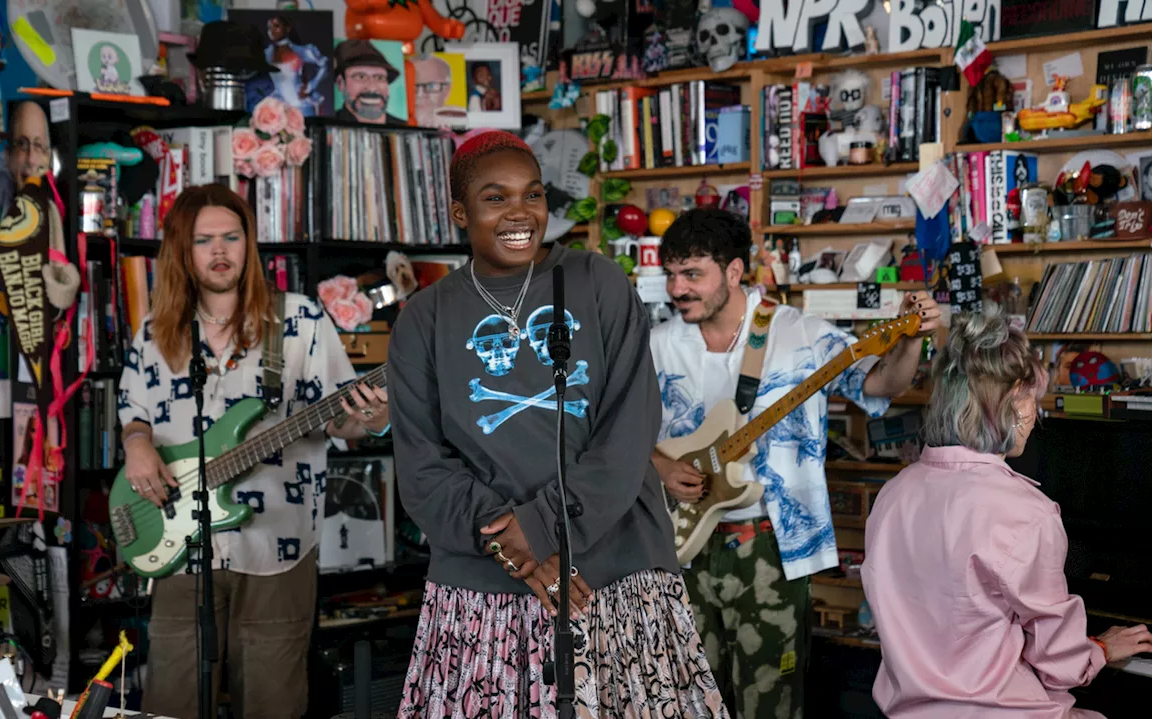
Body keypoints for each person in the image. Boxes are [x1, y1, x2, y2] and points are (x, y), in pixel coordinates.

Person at [390, 130, 727, 717]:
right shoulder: (423, 317)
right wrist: (519, 552)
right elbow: (422, 465)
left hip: (615, 569)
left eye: (534, 194)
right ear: (460, 212)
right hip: (485, 582)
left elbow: (629, 432)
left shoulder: (598, 283)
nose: (521, 212)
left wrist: (539, 529)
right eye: (496, 198)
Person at [648, 208, 940, 719]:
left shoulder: (802, 334)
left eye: (692, 274)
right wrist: (657, 467)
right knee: (686, 698)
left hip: (772, 543)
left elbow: (879, 386)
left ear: (734, 272)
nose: (678, 288)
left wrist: (911, 339)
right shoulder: (655, 345)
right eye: (671, 274)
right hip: (677, 546)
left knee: (771, 701)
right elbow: (607, 427)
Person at [119, 185, 389, 719]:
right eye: (203, 241)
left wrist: (372, 418)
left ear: (248, 244)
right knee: (170, 701)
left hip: (277, 544)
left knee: (272, 703)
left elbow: (342, 419)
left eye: (231, 237)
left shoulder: (302, 321)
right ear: (183, 251)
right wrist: (136, 444)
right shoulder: (157, 328)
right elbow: (133, 407)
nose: (220, 251)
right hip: (178, 547)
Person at [862, 308, 1153, 717]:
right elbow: (1062, 666)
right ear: (1015, 398)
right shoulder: (1025, 512)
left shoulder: (891, 497)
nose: (1036, 417)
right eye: (1034, 400)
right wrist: (1101, 647)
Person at [334, 40, 405, 125]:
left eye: (379, 78)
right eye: (360, 77)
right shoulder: (327, 126)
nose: (372, 88)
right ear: (340, 83)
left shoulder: (403, 126)